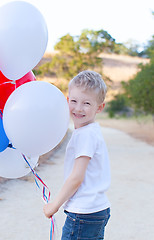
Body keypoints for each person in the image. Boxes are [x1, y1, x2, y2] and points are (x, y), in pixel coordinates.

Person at [43, 70, 111, 239]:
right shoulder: (90, 131)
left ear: (99, 107)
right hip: (95, 210)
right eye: (74, 101)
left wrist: (55, 205)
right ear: (67, 101)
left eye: (87, 103)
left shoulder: (85, 135)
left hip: (83, 214)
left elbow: (77, 177)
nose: (78, 108)